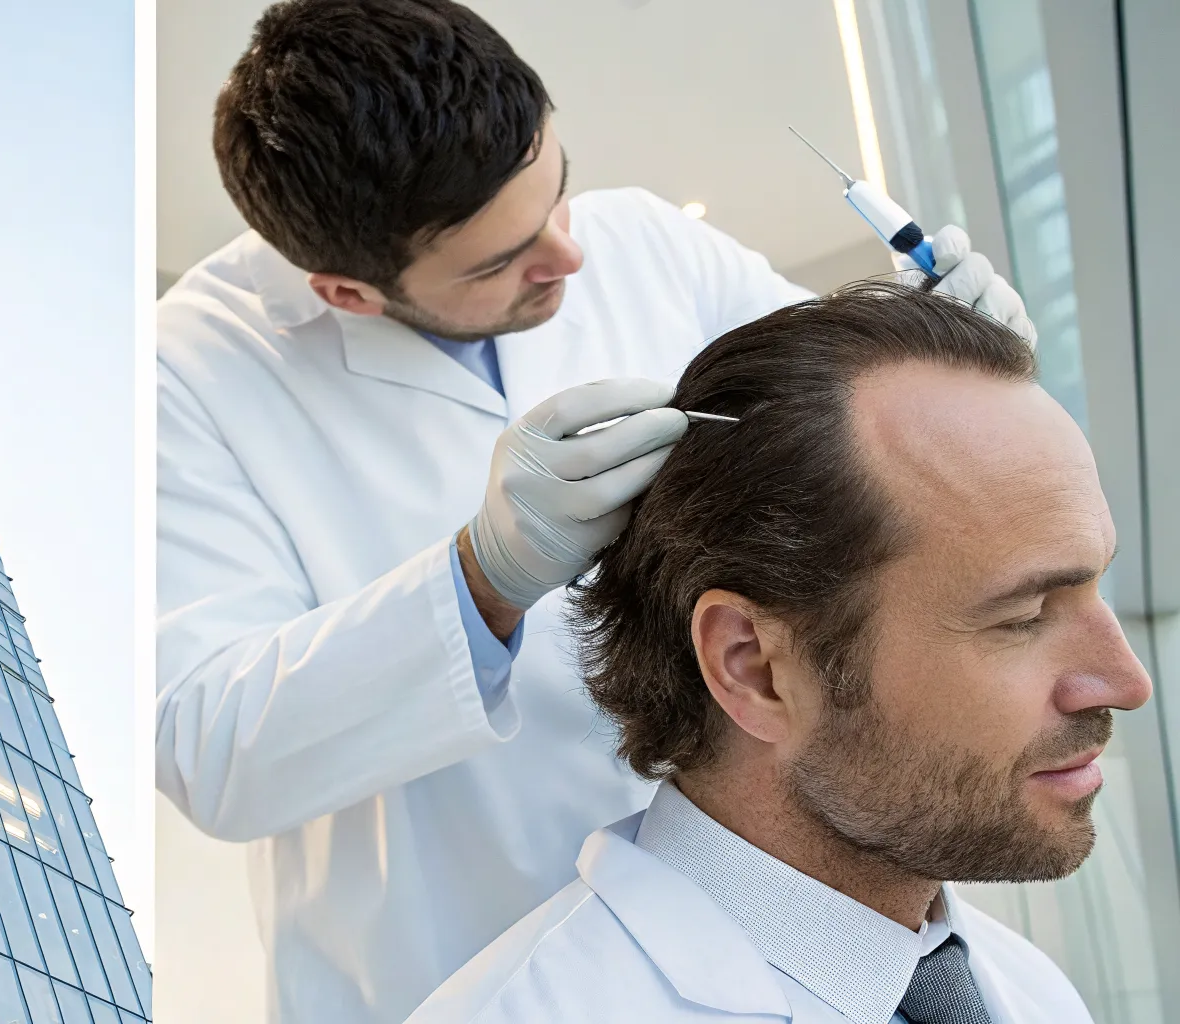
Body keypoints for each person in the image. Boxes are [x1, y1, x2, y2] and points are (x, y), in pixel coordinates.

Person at [155, 1, 1037, 1020]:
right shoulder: (189, 375)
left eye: (556, 194)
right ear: (348, 293)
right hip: (450, 958)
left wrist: (937, 362)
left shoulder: (651, 244)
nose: (570, 257)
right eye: (499, 263)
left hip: (773, 913)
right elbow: (208, 751)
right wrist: (483, 576)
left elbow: (844, 452)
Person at [403, 282, 1146, 1024]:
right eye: (1022, 617)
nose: (1126, 681)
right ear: (752, 668)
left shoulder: (1021, 988)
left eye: (1097, 589)